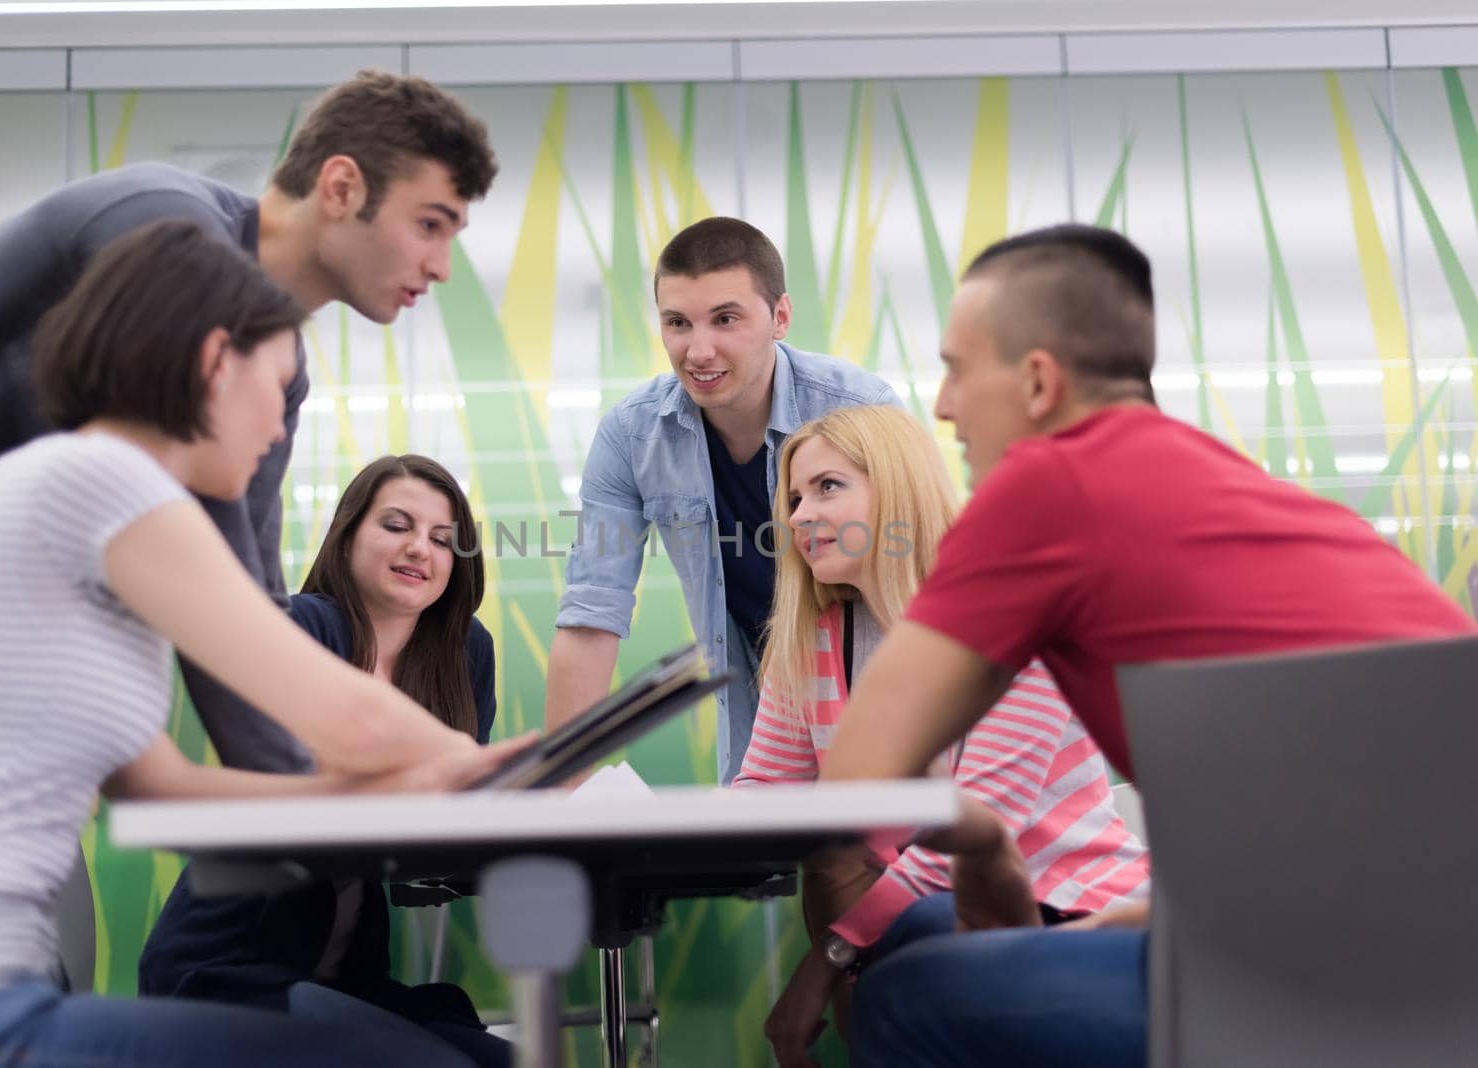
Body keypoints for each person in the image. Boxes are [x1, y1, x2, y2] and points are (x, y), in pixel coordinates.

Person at [804, 224, 1477, 1066]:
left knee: (907, 997)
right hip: (1436, 963)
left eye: (957, 368)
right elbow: (1358, 809)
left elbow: (857, 777)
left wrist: (985, 844)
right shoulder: (1240, 492)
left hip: (1336, 980)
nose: (943, 405)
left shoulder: (1045, 484)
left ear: (1040, 382)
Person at [0, 221, 535, 1068]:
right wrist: (493, 772)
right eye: (283, 387)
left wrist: (406, 791)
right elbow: (349, 720)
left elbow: (167, 793)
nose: (278, 428)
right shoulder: (103, 477)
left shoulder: (90, 524)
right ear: (216, 362)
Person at [0, 69, 497, 776]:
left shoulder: (270, 365)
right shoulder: (161, 230)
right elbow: (234, 625)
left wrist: (304, 813)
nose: (442, 266)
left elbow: (251, 604)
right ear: (341, 188)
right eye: (429, 224)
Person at [730, 404, 1147, 1067]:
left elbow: (976, 840)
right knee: (860, 884)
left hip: (1070, 910)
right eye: (794, 497)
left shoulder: (1008, 622)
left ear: (897, 488)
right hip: (923, 917)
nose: (801, 514)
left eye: (828, 487)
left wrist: (827, 961)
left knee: (913, 925)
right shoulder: (810, 639)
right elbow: (763, 790)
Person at [140, 454, 507, 1066]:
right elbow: (302, 789)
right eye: (396, 525)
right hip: (230, 974)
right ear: (348, 534)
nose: (420, 549)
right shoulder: (306, 628)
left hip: (346, 977)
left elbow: (453, 817)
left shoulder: (466, 653)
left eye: (443, 539)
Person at [545, 216, 902, 782]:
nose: (698, 350)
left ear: (780, 316)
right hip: (762, 702)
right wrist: (559, 798)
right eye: (677, 323)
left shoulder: (861, 409)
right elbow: (591, 614)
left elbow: (913, 583)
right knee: (759, 856)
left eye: (726, 319)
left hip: (873, 684)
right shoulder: (632, 435)